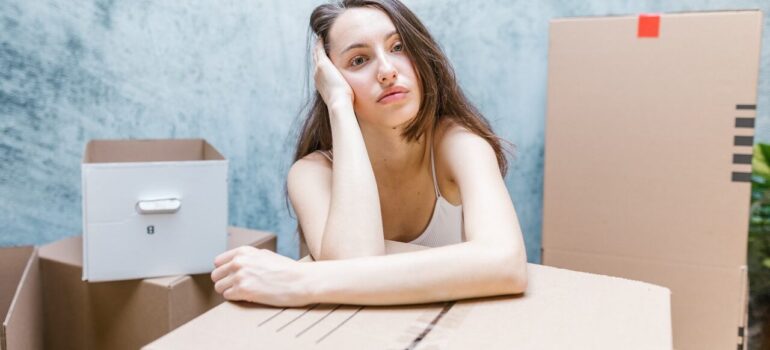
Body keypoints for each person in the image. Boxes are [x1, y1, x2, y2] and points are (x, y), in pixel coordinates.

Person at [211, 0, 527, 307]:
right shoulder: (312, 173)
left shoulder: (458, 143)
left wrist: (299, 279)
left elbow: (506, 263)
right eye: (358, 61)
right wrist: (338, 105)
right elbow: (351, 264)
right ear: (331, 79)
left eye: (399, 47)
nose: (387, 71)